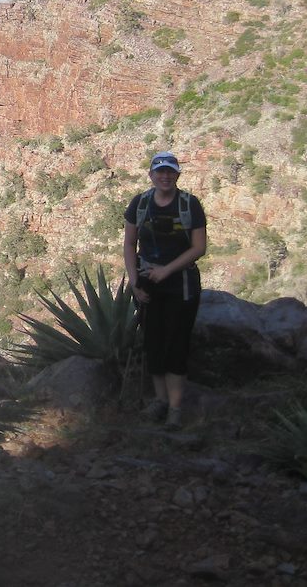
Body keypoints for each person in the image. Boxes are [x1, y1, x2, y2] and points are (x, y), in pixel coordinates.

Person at [123, 151, 207, 429]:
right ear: (151, 175)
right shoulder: (140, 203)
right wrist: (135, 282)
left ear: (177, 175)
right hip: (148, 282)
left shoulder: (189, 205)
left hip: (180, 284)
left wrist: (166, 270)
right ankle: (160, 401)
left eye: (170, 171)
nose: (165, 176)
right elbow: (129, 244)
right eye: (160, 171)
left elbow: (199, 247)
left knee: (176, 346)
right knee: (153, 345)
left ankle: (175, 408)